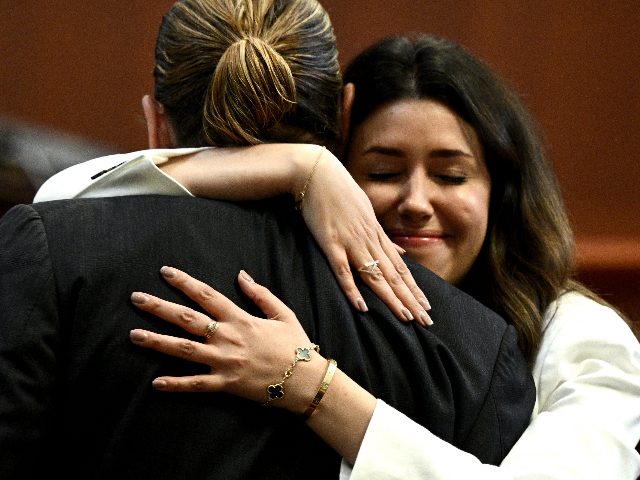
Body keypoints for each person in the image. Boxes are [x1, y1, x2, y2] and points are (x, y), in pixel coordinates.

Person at [41, 34, 640, 477]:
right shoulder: (308, 283)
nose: (415, 202)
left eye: (452, 176)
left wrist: (309, 386)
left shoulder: (577, 332)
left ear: (502, 194)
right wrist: (299, 164)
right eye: (380, 172)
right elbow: (62, 205)